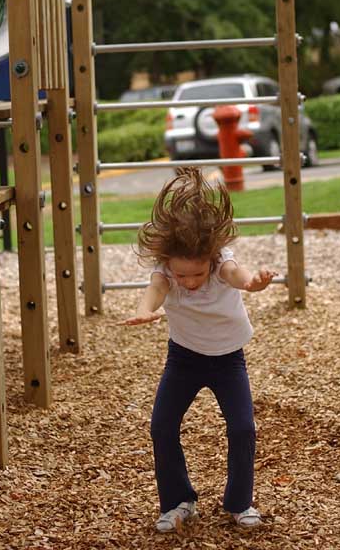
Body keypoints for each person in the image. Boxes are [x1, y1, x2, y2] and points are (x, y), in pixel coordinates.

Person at [122, 166, 275, 533]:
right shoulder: (166, 271)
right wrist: (144, 312)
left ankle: (239, 502)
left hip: (228, 360)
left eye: (196, 274)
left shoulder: (221, 261)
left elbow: (237, 276)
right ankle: (178, 501)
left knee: (242, 428)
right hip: (184, 359)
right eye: (182, 275)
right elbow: (156, 291)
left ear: (210, 259)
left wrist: (253, 285)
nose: (188, 282)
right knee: (161, 426)